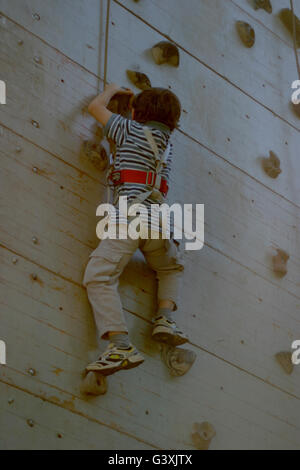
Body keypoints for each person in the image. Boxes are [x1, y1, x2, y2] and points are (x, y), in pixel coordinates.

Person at [83, 83, 188, 376]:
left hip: (129, 218)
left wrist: (111, 90)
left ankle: (120, 345)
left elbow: (95, 108)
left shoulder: (127, 129)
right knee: (170, 267)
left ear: (134, 112)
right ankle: (165, 317)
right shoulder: (168, 143)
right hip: (158, 221)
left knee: (99, 276)